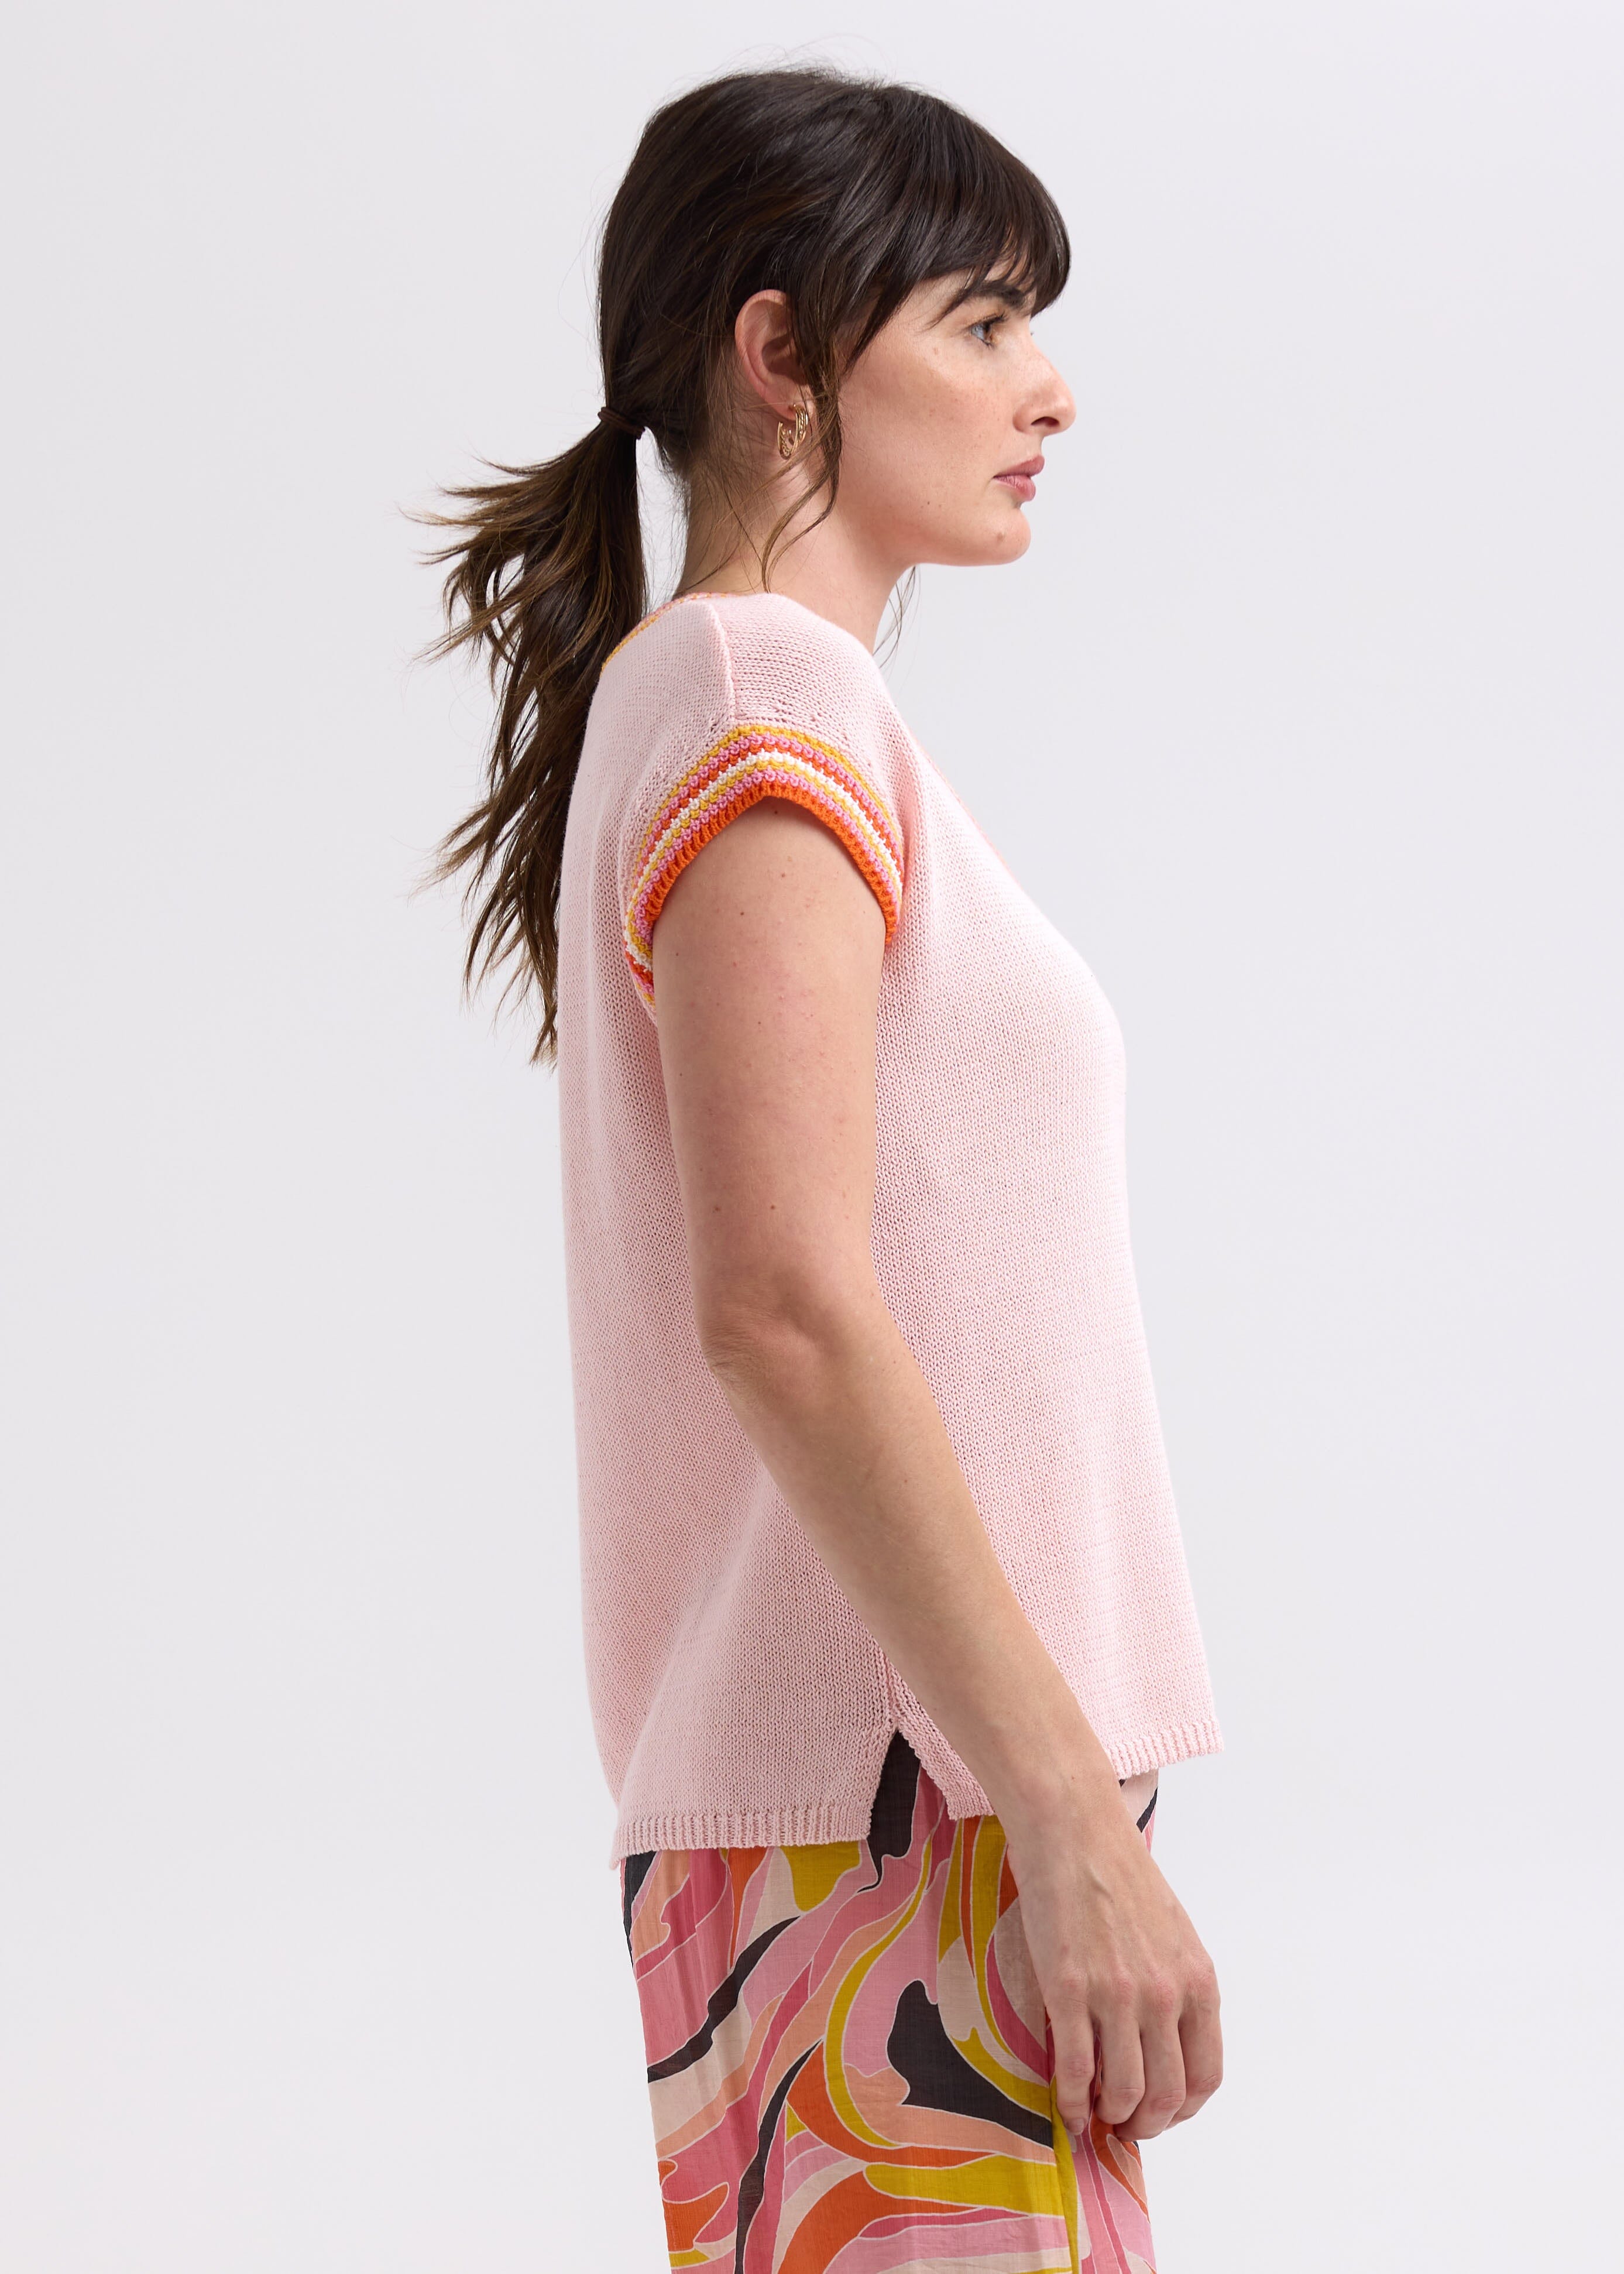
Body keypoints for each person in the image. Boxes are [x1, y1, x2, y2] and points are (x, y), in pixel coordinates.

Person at [430, 64, 1223, 2274]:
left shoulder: (725, 696)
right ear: (781, 354)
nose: (1048, 387)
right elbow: (780, 1305)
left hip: (887, 1809)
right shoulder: (756, 692)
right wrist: (1058, 1810)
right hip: (910, 1821)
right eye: (982, 320)